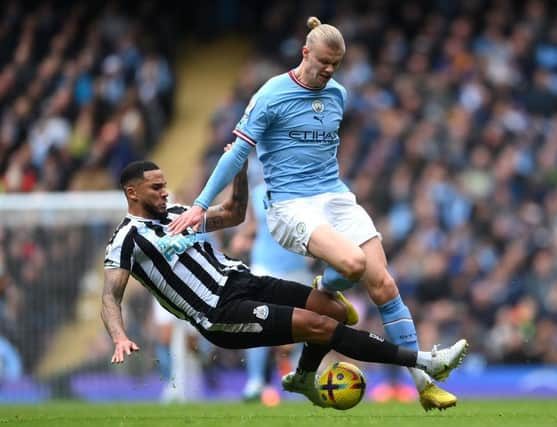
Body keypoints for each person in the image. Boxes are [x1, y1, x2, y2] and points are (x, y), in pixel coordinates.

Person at [168, 17, 467, 410]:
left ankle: (424, 384)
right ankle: (322, 296)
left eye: (336, 65)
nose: (328, 70)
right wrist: (201, 204)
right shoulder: (271, 95)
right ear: (305, 52)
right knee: (354, 264)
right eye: (323, 62)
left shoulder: (338, 95)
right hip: (289, 205)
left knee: (384, 286)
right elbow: (238, 151)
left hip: (335, 196)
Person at [102, 160, 467, 409]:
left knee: (335, 309)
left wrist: (240, 171)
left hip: (244, 280)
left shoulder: (180, 214)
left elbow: (233, 214)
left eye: (165, 185)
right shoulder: (126, 240)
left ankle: (304, 378)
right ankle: (424, 362)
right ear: (132, 193)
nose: (165, 192)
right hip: (218, 310)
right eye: (156, 188)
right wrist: (119, 335)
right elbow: (110, 296)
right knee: (321, 326)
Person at [230, 180, 314, 401]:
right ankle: (255, 381)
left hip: (297, 267)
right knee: (256, 322)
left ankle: (298, 378)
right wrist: (243, 238)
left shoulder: (304, 191)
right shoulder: (259, 193)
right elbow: (254, 224)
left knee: (302, 325)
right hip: (265, 266)